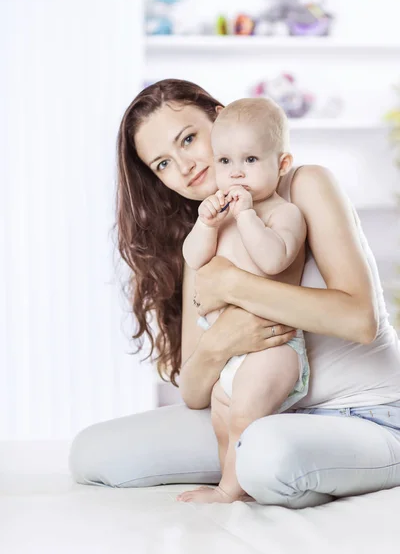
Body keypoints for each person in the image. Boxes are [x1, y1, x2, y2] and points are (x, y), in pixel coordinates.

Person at [68, 79, 400, 509]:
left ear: (222, 119)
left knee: (265, 451)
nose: (184, 166)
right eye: (163, 164)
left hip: (366, 415)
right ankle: (287, 468)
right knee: (95, 453)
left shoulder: (302, 185)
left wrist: (234, 285)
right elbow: (193, 391)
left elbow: (359, 320)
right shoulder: (204, 236)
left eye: (188, 139)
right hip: (262, 410)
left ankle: (293, 466)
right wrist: (222, 341)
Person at [179, 97, 309, 503]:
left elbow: (273, 260)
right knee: (222, 420)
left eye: (250, 159)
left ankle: (231, 491)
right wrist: (205, 224)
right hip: (230, 350)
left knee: (244, 417)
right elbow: (194, 258)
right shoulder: (217, 215)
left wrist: (249, 216)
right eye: (224, 162)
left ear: (282, 164)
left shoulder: (283, 213)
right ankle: (231, 482)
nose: (235, 172)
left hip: (274, 347)